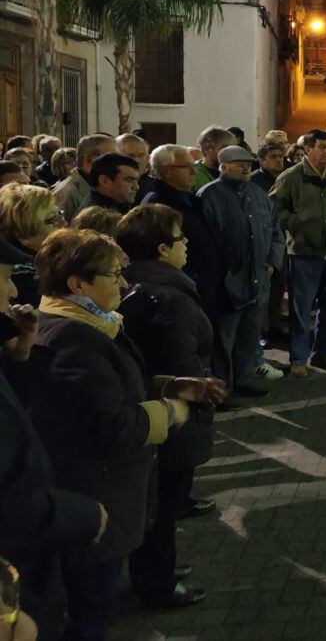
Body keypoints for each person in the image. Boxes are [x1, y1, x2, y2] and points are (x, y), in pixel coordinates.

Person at [27, 228, 219, 639]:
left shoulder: (89, 326)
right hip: (98, 502)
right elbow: (112, 425)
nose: (124, 283)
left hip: (105, 500)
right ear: (78, 283)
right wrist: (170, 411)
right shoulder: (74, 340)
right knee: (91, 613)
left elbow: (108, 392)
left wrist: (167, 384)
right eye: (114, 275)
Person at [0, 242, 105, 641]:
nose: (13, 292)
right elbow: (7, 504)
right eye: (6, 278)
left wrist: (19, 358)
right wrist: (83, 515)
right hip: (19, 584)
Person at [115, 205, 217, 609]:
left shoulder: (144, 284)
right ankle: (157, 584)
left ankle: (156, 572)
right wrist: (197, 400)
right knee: (162, 507)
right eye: (179, 238)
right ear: (161, 248)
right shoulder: (169, 298)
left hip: (157, 409)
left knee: (161, 505)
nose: (186, 243)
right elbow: (180, 364)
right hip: (171, 416)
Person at [200, 146, 285, 395]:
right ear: (223, 166)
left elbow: (276, 231)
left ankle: (243, 378)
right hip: (228, 281)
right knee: (224, 338)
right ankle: (222, 387)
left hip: (258, 278)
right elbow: (206, 241)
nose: (246, 167)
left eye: (247, 163)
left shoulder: (258, 194)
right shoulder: (209, 195)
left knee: (249, 334)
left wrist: (272, 262)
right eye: (238, 164)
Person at [269, 129, 326, 375]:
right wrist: (295, 223)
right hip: (304, 252)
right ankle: (298, 359)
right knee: (300, 308)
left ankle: (323, 355)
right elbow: (273, 209)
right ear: (307, 149)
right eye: (322, 147)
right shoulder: (292, 177)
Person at [141, 145, 226, 327]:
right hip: (181, 290)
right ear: (167, 171)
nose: (193, 172)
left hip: (203, 288)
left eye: (193, 165)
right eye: (186, 166)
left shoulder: (190, 199)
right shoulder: (158, 205)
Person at [0, 185, 63, 307]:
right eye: (53, 219)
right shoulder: (25, 279)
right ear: (22, 234)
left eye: (59, 214)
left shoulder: (47, 258)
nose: (63, 223)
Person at [52, 134, 117, 222]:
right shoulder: (67, 192)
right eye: (112, 158)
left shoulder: (98, 184)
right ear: (90, 159)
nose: (117, 163)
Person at [116, 133, 154, 202]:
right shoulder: (110, 186)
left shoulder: (157, 188)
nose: (136, 160)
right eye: (131, 156)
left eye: (141, 155)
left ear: (148, 159)